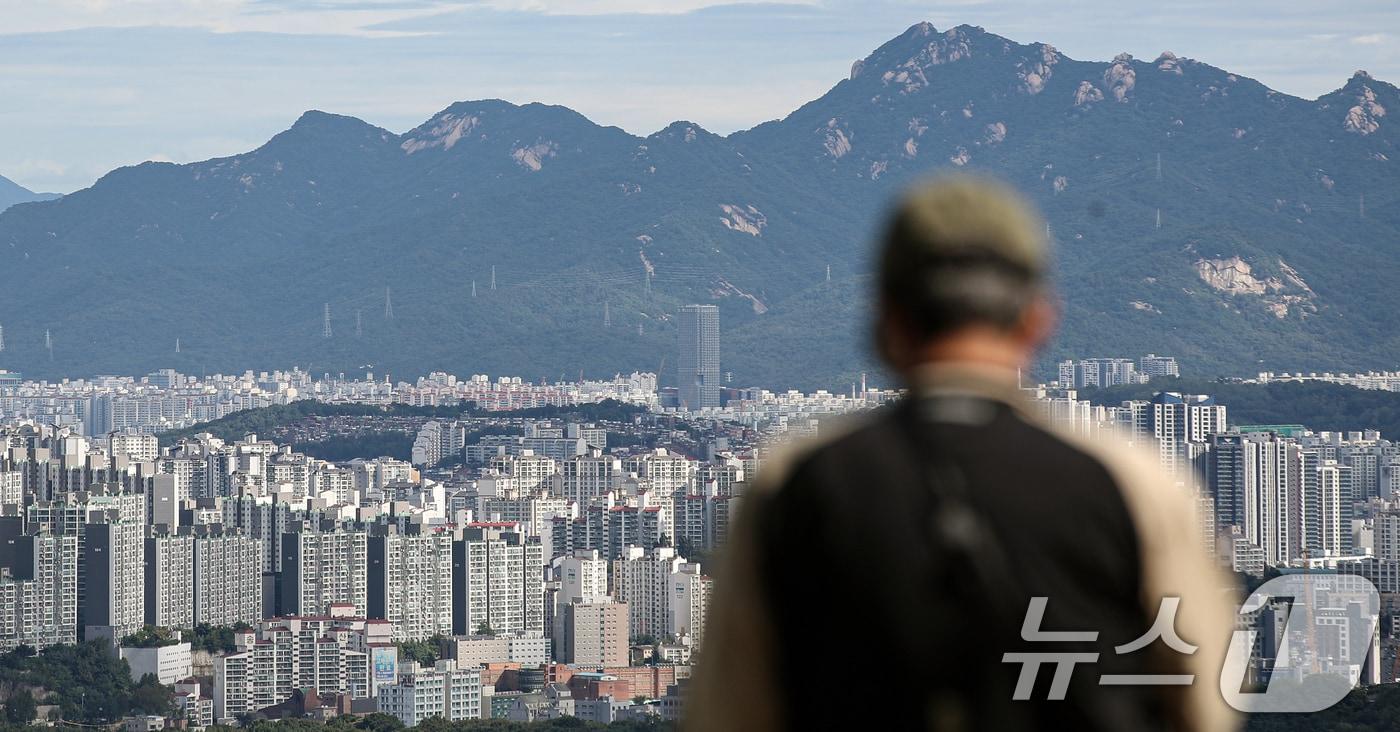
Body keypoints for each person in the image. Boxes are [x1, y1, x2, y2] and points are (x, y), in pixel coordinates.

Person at [687, 177, 1237, 731]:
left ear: (887, 323)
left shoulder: (795, 481)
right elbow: (1206, 702)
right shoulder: (1133, 480)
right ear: (1037, 320)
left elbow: (729, 709)